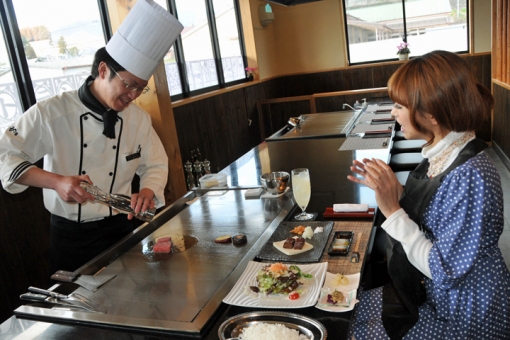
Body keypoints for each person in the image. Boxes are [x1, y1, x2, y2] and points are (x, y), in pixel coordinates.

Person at [0, 0, 183, 274]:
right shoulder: (51, 112)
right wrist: (57, 182)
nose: (133, 95)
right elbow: (5, 155)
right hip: (70, 237)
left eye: (140, 88)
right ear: (102, 70)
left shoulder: (138, 118)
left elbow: (155, 163)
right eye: (129, 84)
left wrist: (147, 190)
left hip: (123, 228)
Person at [347, 50, 510, 339]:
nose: (393, 113)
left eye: (399, 105)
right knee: (353, 309)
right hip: (434, 293)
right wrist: (398, 195)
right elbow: (437, 218)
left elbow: (445, 270)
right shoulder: (444, 151)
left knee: (358, 331)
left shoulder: (470, 175)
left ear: (430, 114)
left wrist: (394, 212)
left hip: (463, 312)